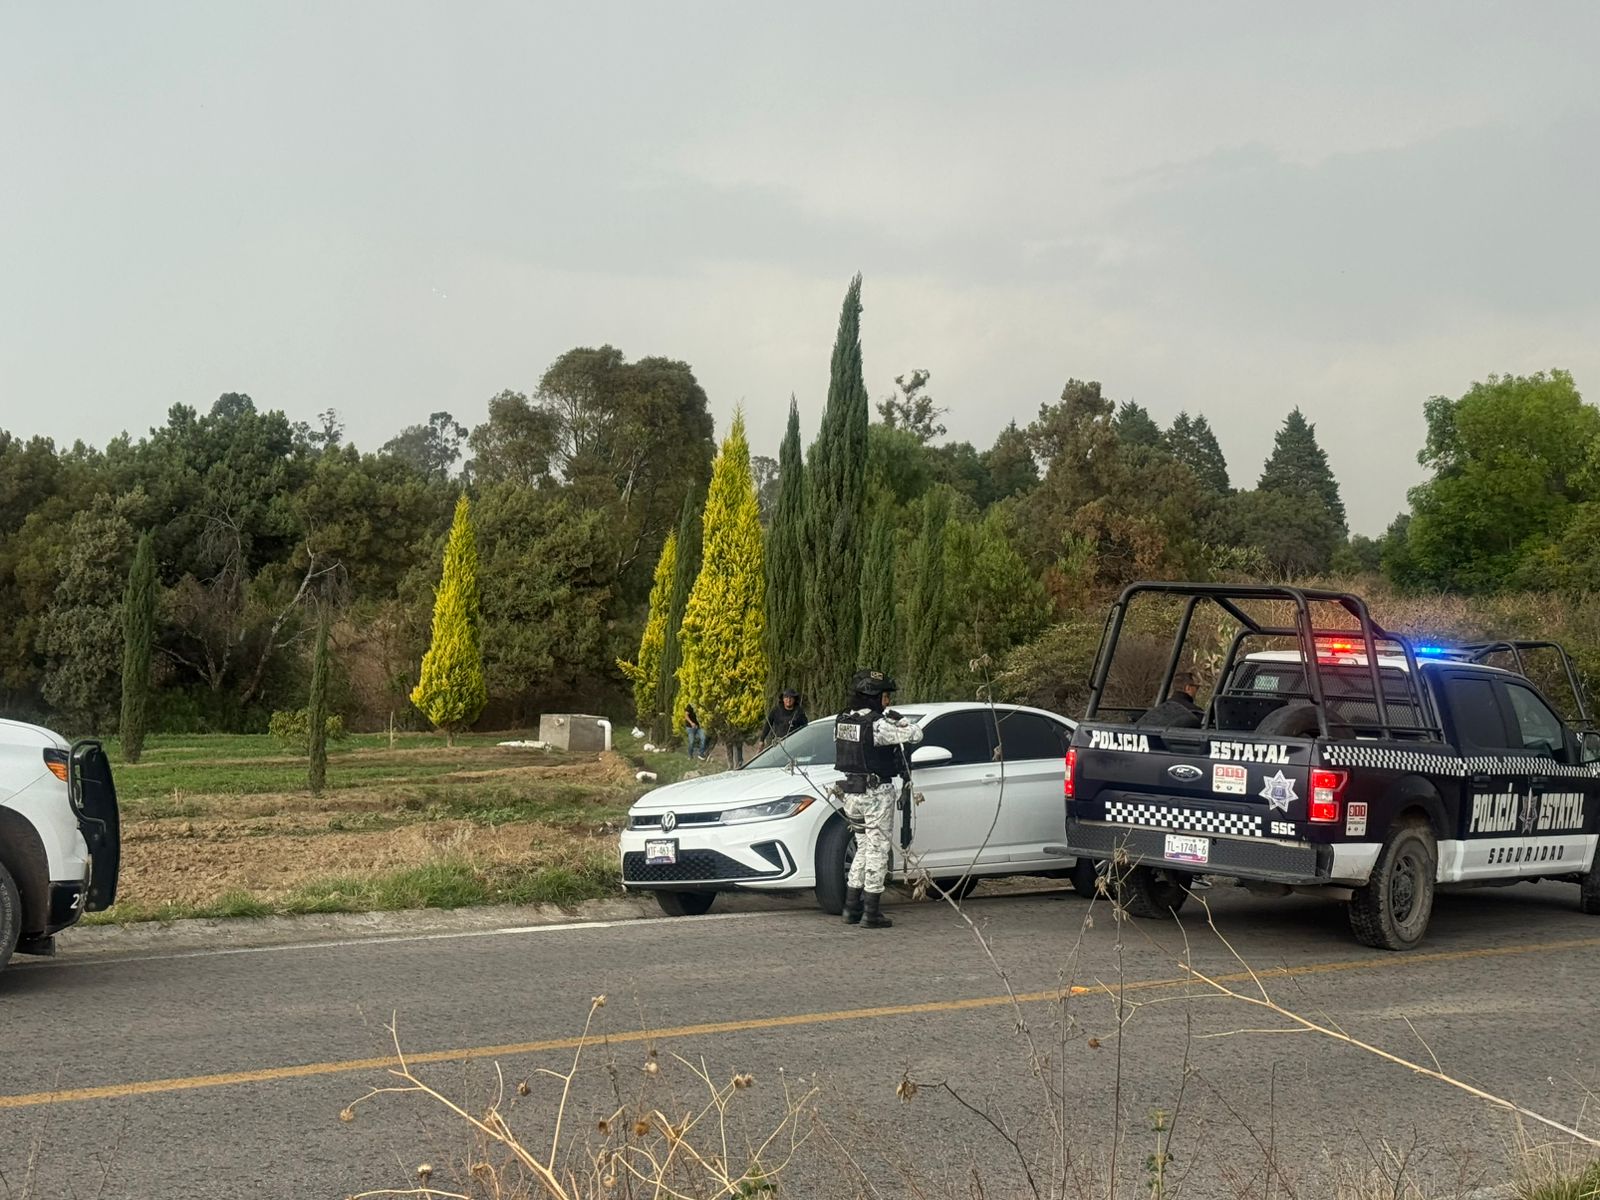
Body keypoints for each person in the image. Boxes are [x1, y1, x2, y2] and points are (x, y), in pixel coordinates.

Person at [834, 669, 923, 929]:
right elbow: (916, 735)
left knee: (862, 846)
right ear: (873, 696)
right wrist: (902, 720)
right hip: (875, 793)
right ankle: (871, 912)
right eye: (885, 696)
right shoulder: (878, 724)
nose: (888, 702)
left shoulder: (843, 721)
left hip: (851, 792)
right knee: (877, 850)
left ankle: (851, 907)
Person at [1135, 670, 1203, 729]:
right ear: (1188, 688)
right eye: (1197, 687)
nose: (1197, 691)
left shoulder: (1160, 709)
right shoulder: (1196, 713)